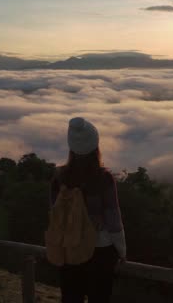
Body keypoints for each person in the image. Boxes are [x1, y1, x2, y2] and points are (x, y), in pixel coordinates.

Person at [49, 117, 127, 303]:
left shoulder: (59, 179)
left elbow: (55, 215)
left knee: (71, 298)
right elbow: (113, 219)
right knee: (99, 298)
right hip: (100, 251)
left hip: (70, 249)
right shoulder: (104, 179)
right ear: (95, 145)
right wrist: (122, 250)